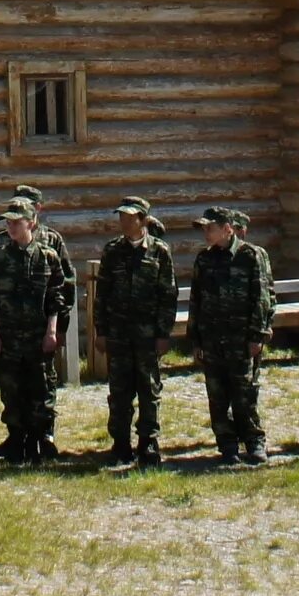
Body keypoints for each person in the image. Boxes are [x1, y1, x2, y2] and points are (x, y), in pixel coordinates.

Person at [0, 200, 73, 464]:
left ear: (31, 223)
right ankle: (16, 441)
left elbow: (56, 298)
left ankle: (39, 441)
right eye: (8, 222)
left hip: (37, 336)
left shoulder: (48, 256)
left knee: (41, 388)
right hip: (8, 336)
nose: (10, 227)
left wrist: (52, 332)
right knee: (11, 390)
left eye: (16, 222)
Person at [94, 196, 178, 471]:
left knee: (149, 390)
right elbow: (102, 295)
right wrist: (101, 331)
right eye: (121, 217)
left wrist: (163, 333)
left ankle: (148, 443)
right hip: (118, 334)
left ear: (142, 220)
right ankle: (120, 444)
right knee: (119, 392)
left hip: (147, 335)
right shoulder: (112, 251)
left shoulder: (159, 252)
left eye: (129, 218)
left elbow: (168, 296)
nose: (124, 222)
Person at [188, 206, 275, 465]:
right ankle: (227, 445)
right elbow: (196, 301)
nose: (206, 233)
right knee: (217, 394)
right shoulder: (204, 259)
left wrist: (258, 335)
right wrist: (196, 340)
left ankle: (254, 442)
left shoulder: (251, 255)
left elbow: (262, 297)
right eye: (204, 228)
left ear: (227, 229)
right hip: (213, 339)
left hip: (242, 339)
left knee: (245, 393)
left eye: (210, 228)